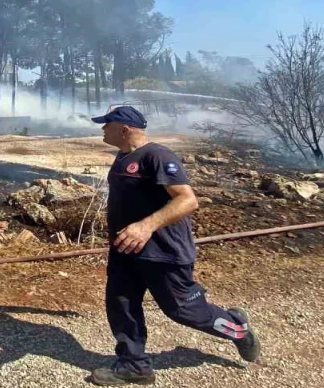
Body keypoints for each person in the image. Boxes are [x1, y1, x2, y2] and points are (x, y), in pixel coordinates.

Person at [87, 105, 260, 386]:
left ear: (124, 129)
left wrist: (146, 226)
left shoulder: (157, 156)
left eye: (107, 124)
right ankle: (134, 366)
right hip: (126, 250)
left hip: (162, 253)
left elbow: (187, 200)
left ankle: (237, 328)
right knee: (121, 305)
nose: (102, 129)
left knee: (183, 310)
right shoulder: (123, 157)